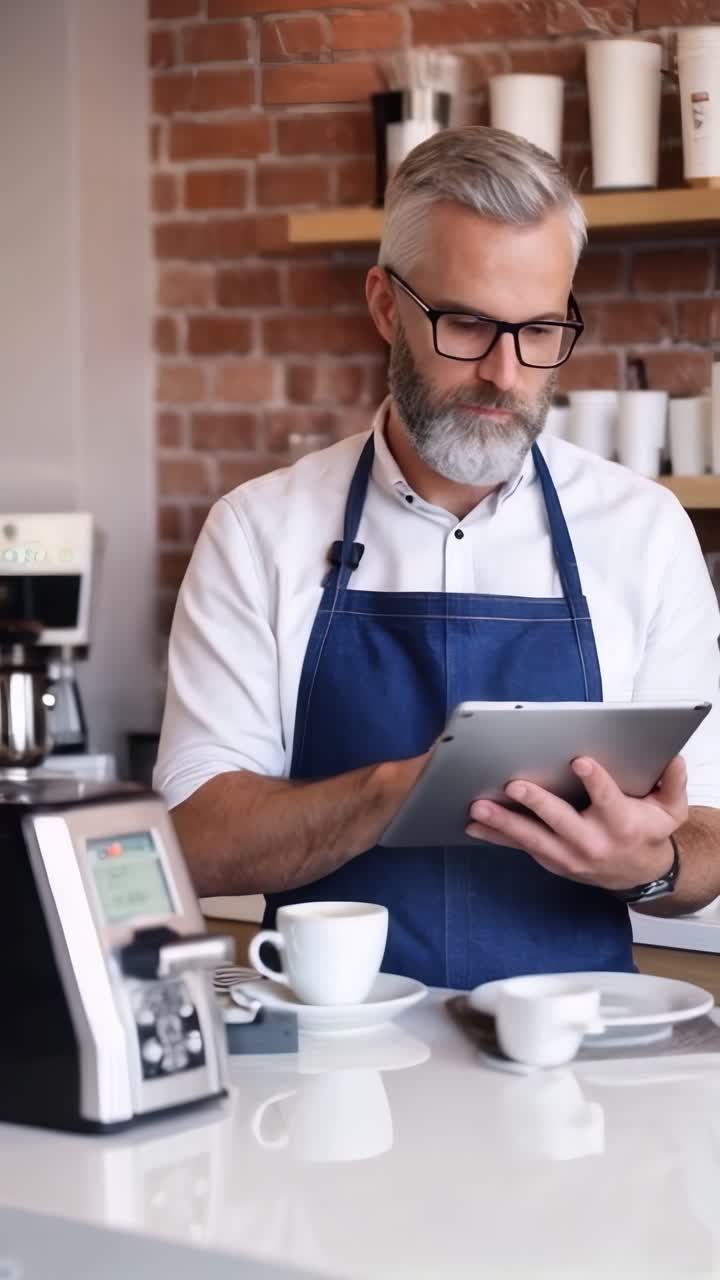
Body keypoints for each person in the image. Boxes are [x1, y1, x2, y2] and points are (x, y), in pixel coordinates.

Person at [154, 126, 720, 989]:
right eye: (466, 324)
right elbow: (193, 844)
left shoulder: (642, 530)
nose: (505, 372)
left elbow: (712, 838)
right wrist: (404, 790)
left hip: (572, 1078)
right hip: (327, 1071)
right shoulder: (256, 532)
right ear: (385, 305)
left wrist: (649, 863)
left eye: (539, 330)